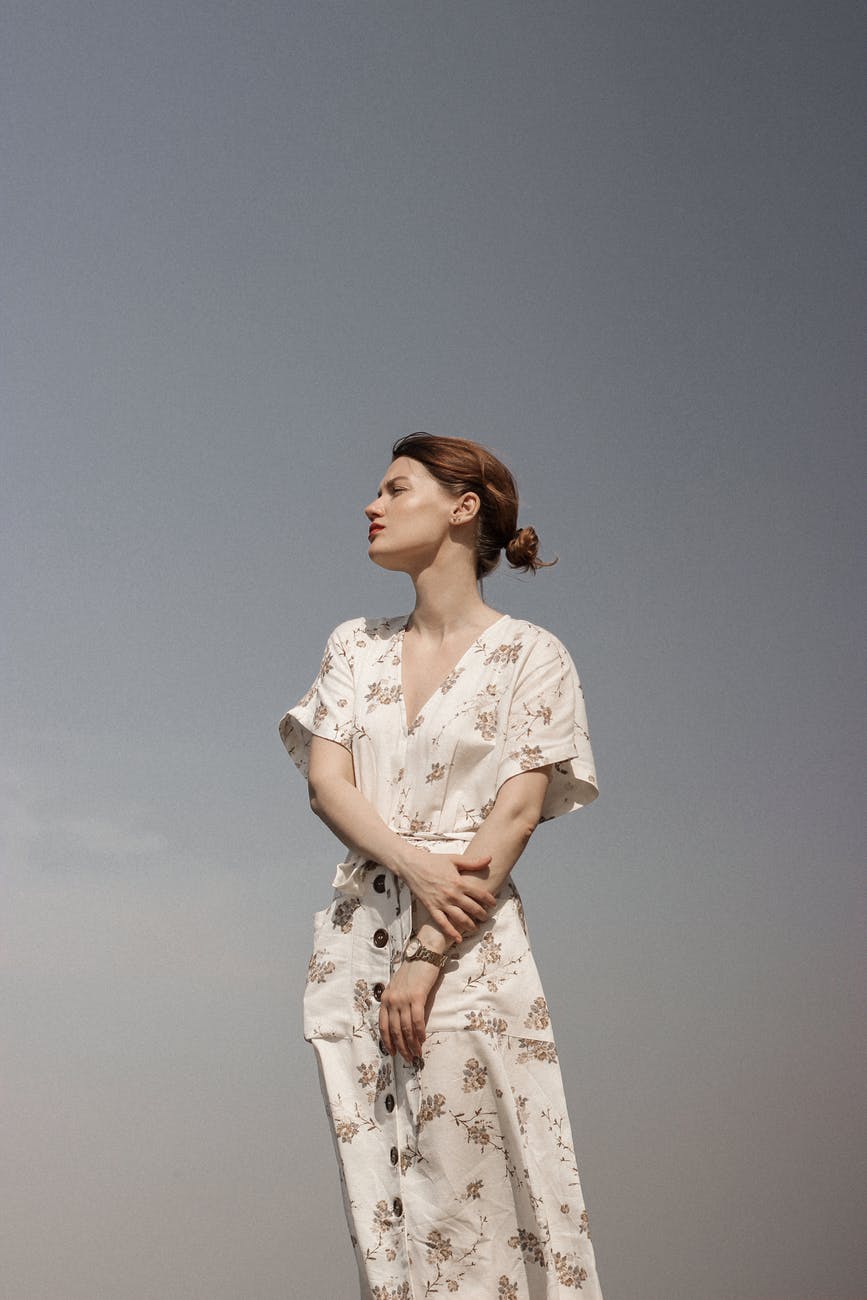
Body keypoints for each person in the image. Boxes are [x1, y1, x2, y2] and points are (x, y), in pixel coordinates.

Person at [279, 433, 604, 1298]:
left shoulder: (532, 655)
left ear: (462, 509)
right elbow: (327, 784)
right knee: (384, 1218)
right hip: (355, 953)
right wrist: (414, 868)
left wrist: (425, 955)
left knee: (473, 1209)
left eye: (394, 487)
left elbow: (515, 812)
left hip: (466, 945)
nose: (370, 505)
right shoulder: (354, 645)